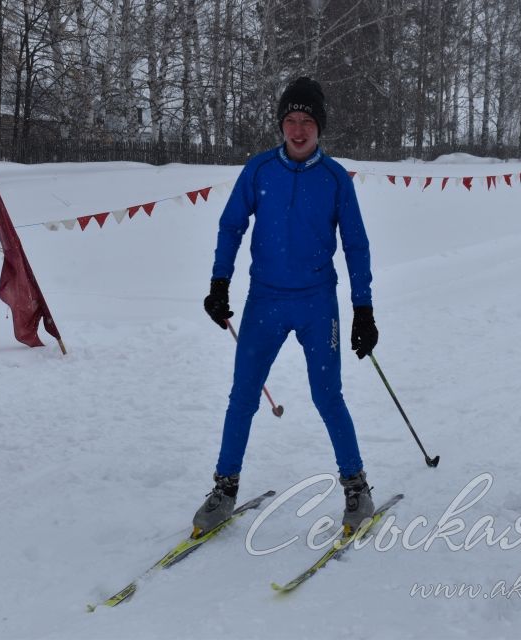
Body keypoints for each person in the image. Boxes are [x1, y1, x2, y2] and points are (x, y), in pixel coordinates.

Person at [193, 77, 379, 537]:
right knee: (243, 394)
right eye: (290, 121)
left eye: (307, 121)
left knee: (326, 395)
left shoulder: (335, 178)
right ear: (281, 124)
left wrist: (363, 309)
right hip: (265, 301)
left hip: (317, 303)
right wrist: (220, 283)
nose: (298, 130)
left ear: (320, 127)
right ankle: (225, 487)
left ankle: (356, 486)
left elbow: (356, 246)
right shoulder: (259, 171)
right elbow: (230, 226)